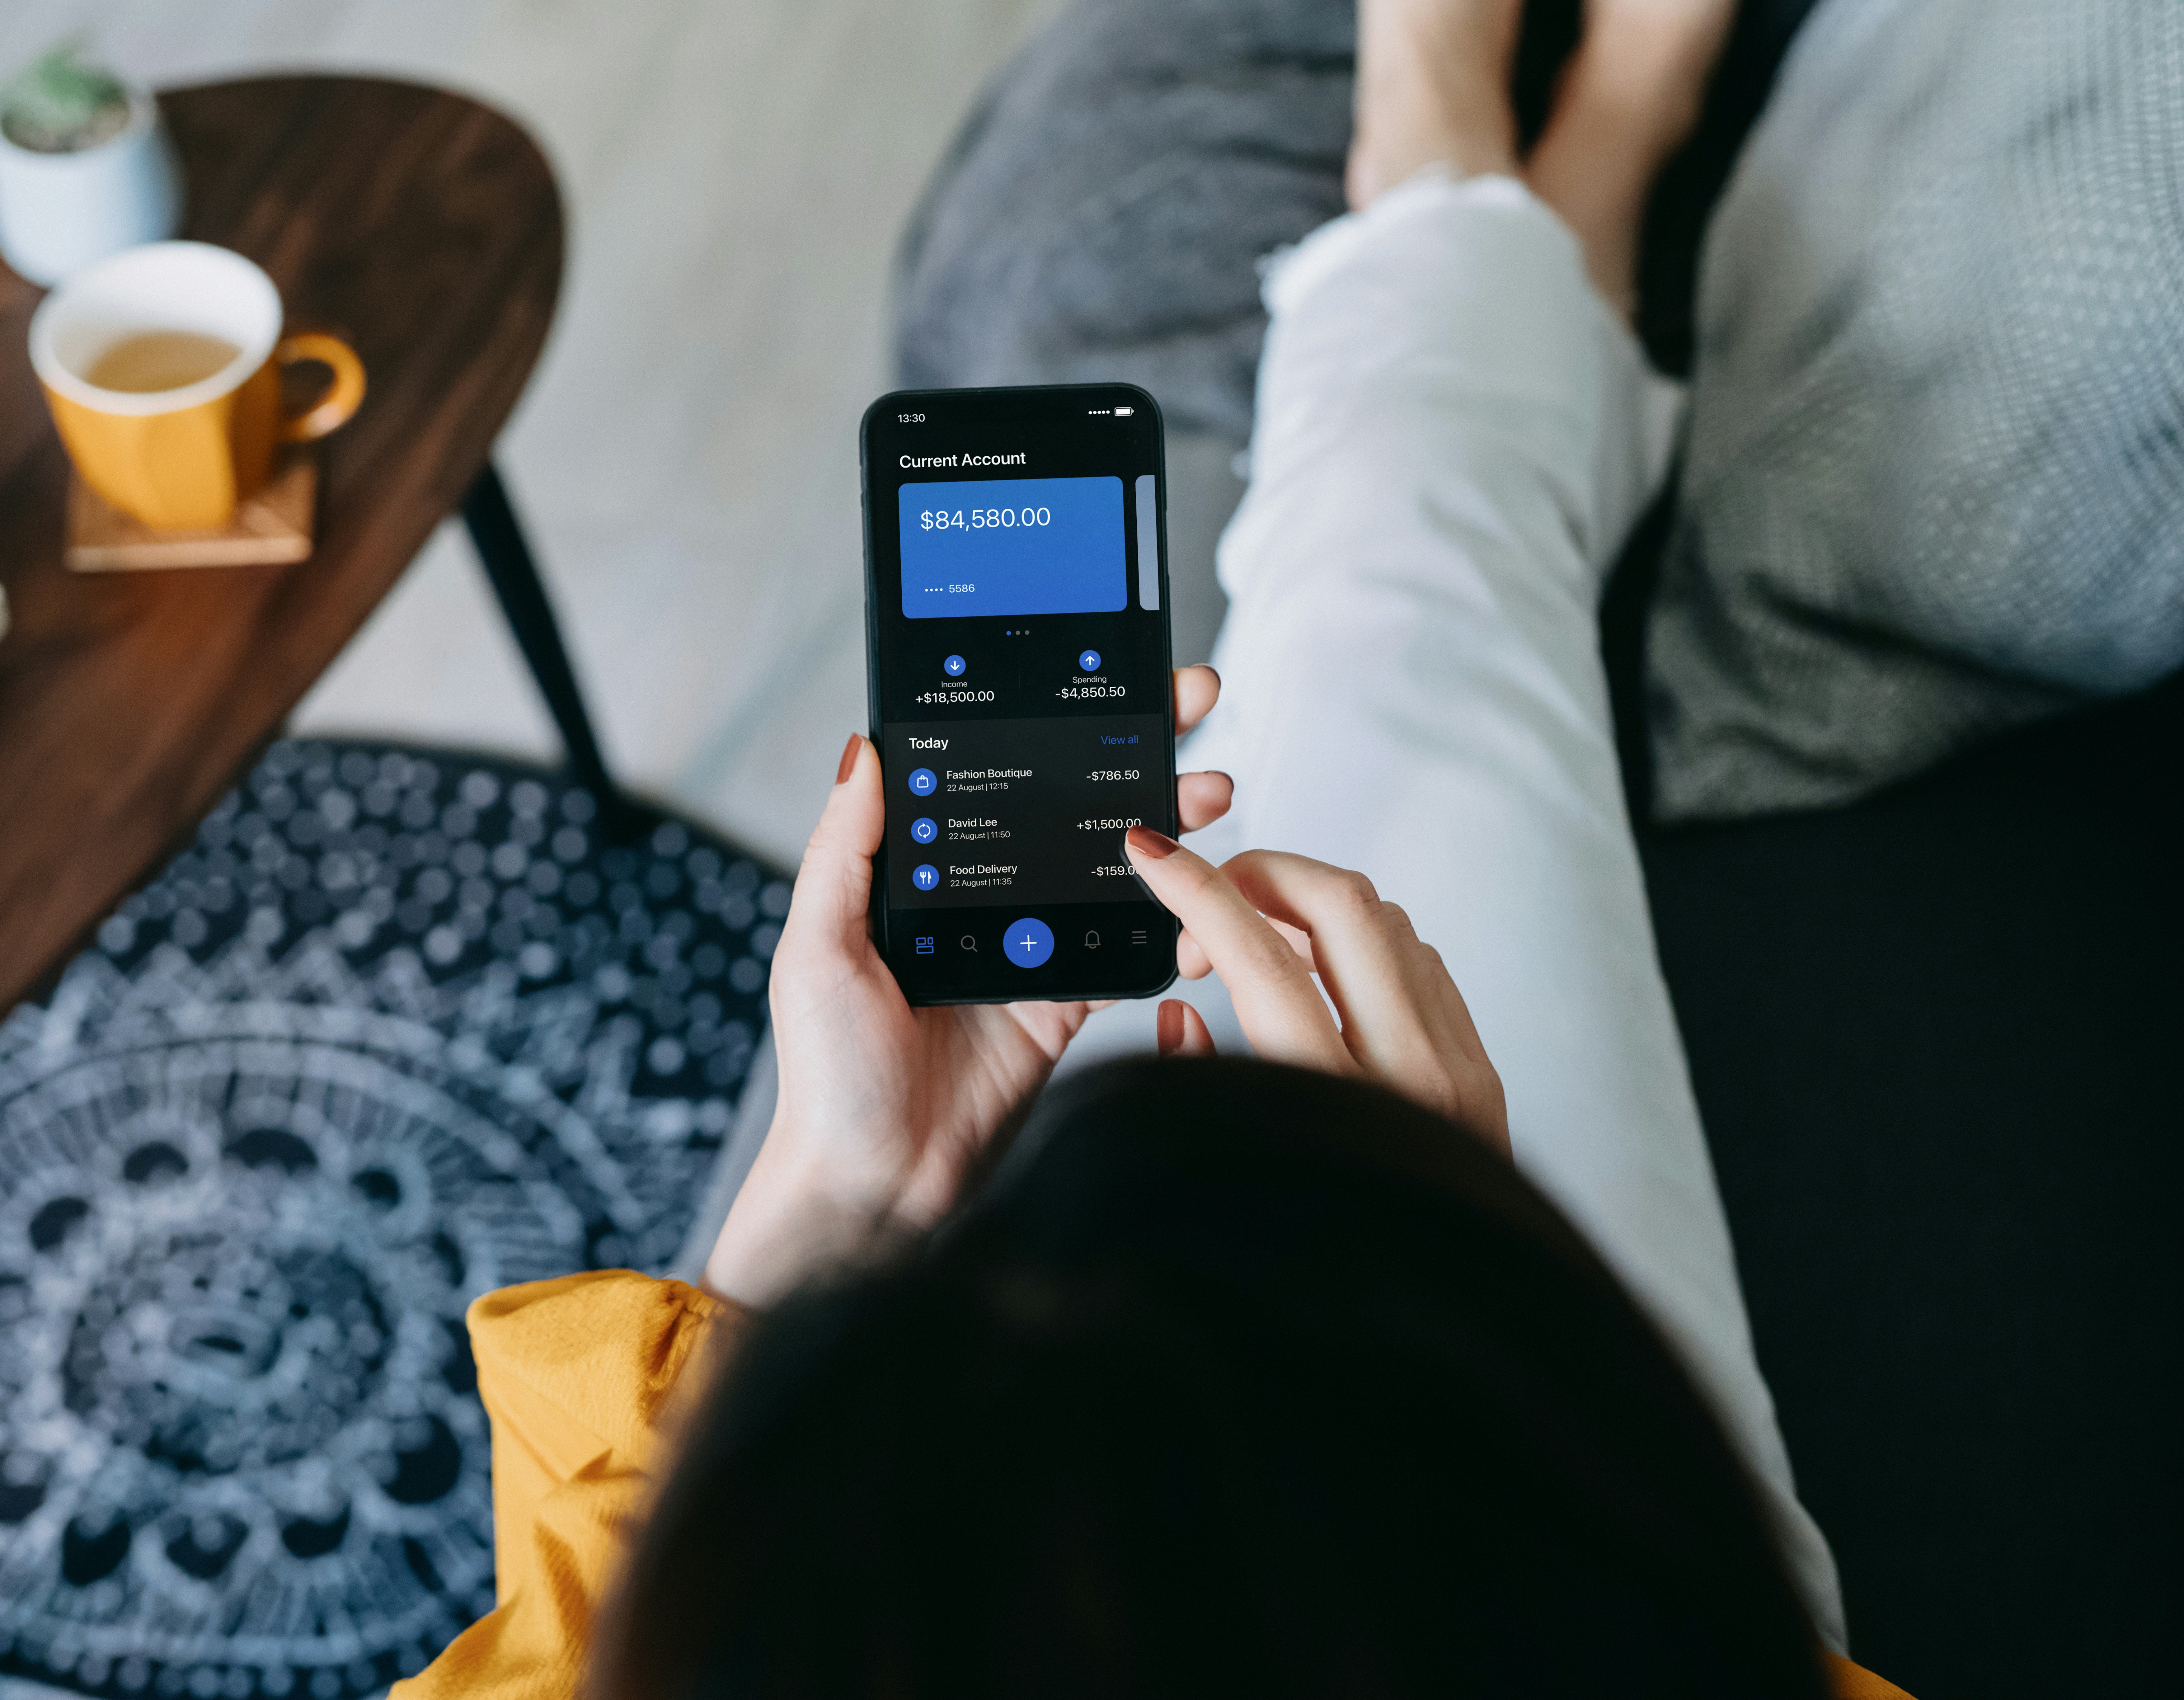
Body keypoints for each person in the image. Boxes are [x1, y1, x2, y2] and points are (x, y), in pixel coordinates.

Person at [392, 0, 1939, 1692]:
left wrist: (839, 1211)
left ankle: (1494, 156)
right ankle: (1552, 123)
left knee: (1340, 627)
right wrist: (1448, 1277)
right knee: (1395, 571)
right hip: (1508, 1492)